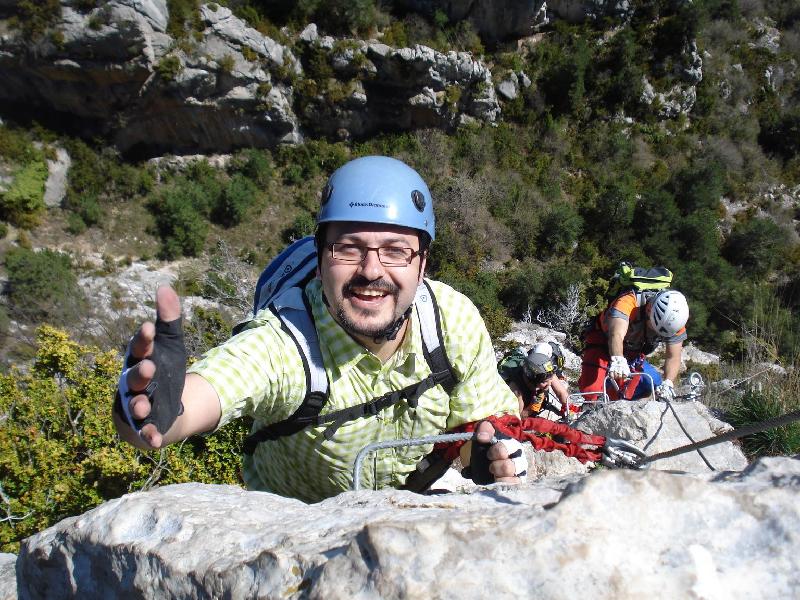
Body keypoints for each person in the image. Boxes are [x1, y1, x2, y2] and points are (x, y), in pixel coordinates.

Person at [113, 156, 525, 503]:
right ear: (320, 257)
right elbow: (208, 392)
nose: (371, 270)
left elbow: (480, 422)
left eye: (396, 251)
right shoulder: (286, 345)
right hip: (297, 529)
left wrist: (488, 455)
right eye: (347, 248)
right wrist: (154, 409)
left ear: (422, 265)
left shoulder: (452, 322)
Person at [578, 288, 689, 403]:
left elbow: (673, 357)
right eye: (653, 327)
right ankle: (593, 401)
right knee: (591, 392)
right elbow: (616, 335)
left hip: (632, 351)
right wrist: (618, 360)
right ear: (649, 310)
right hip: (602, 342)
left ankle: (617, 401)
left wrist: (668, 383)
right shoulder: (627, 303)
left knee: (651, 384)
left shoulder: (675, 322)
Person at [498, 342, 570, 420]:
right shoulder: (516, 389)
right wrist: (532, 407)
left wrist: (569, 409)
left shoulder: (546, 373)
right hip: (522, 405)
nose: (549, 384)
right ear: (532, 380)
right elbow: (517, 419)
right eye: (545, 382)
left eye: (550, 380)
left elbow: (561, 392)